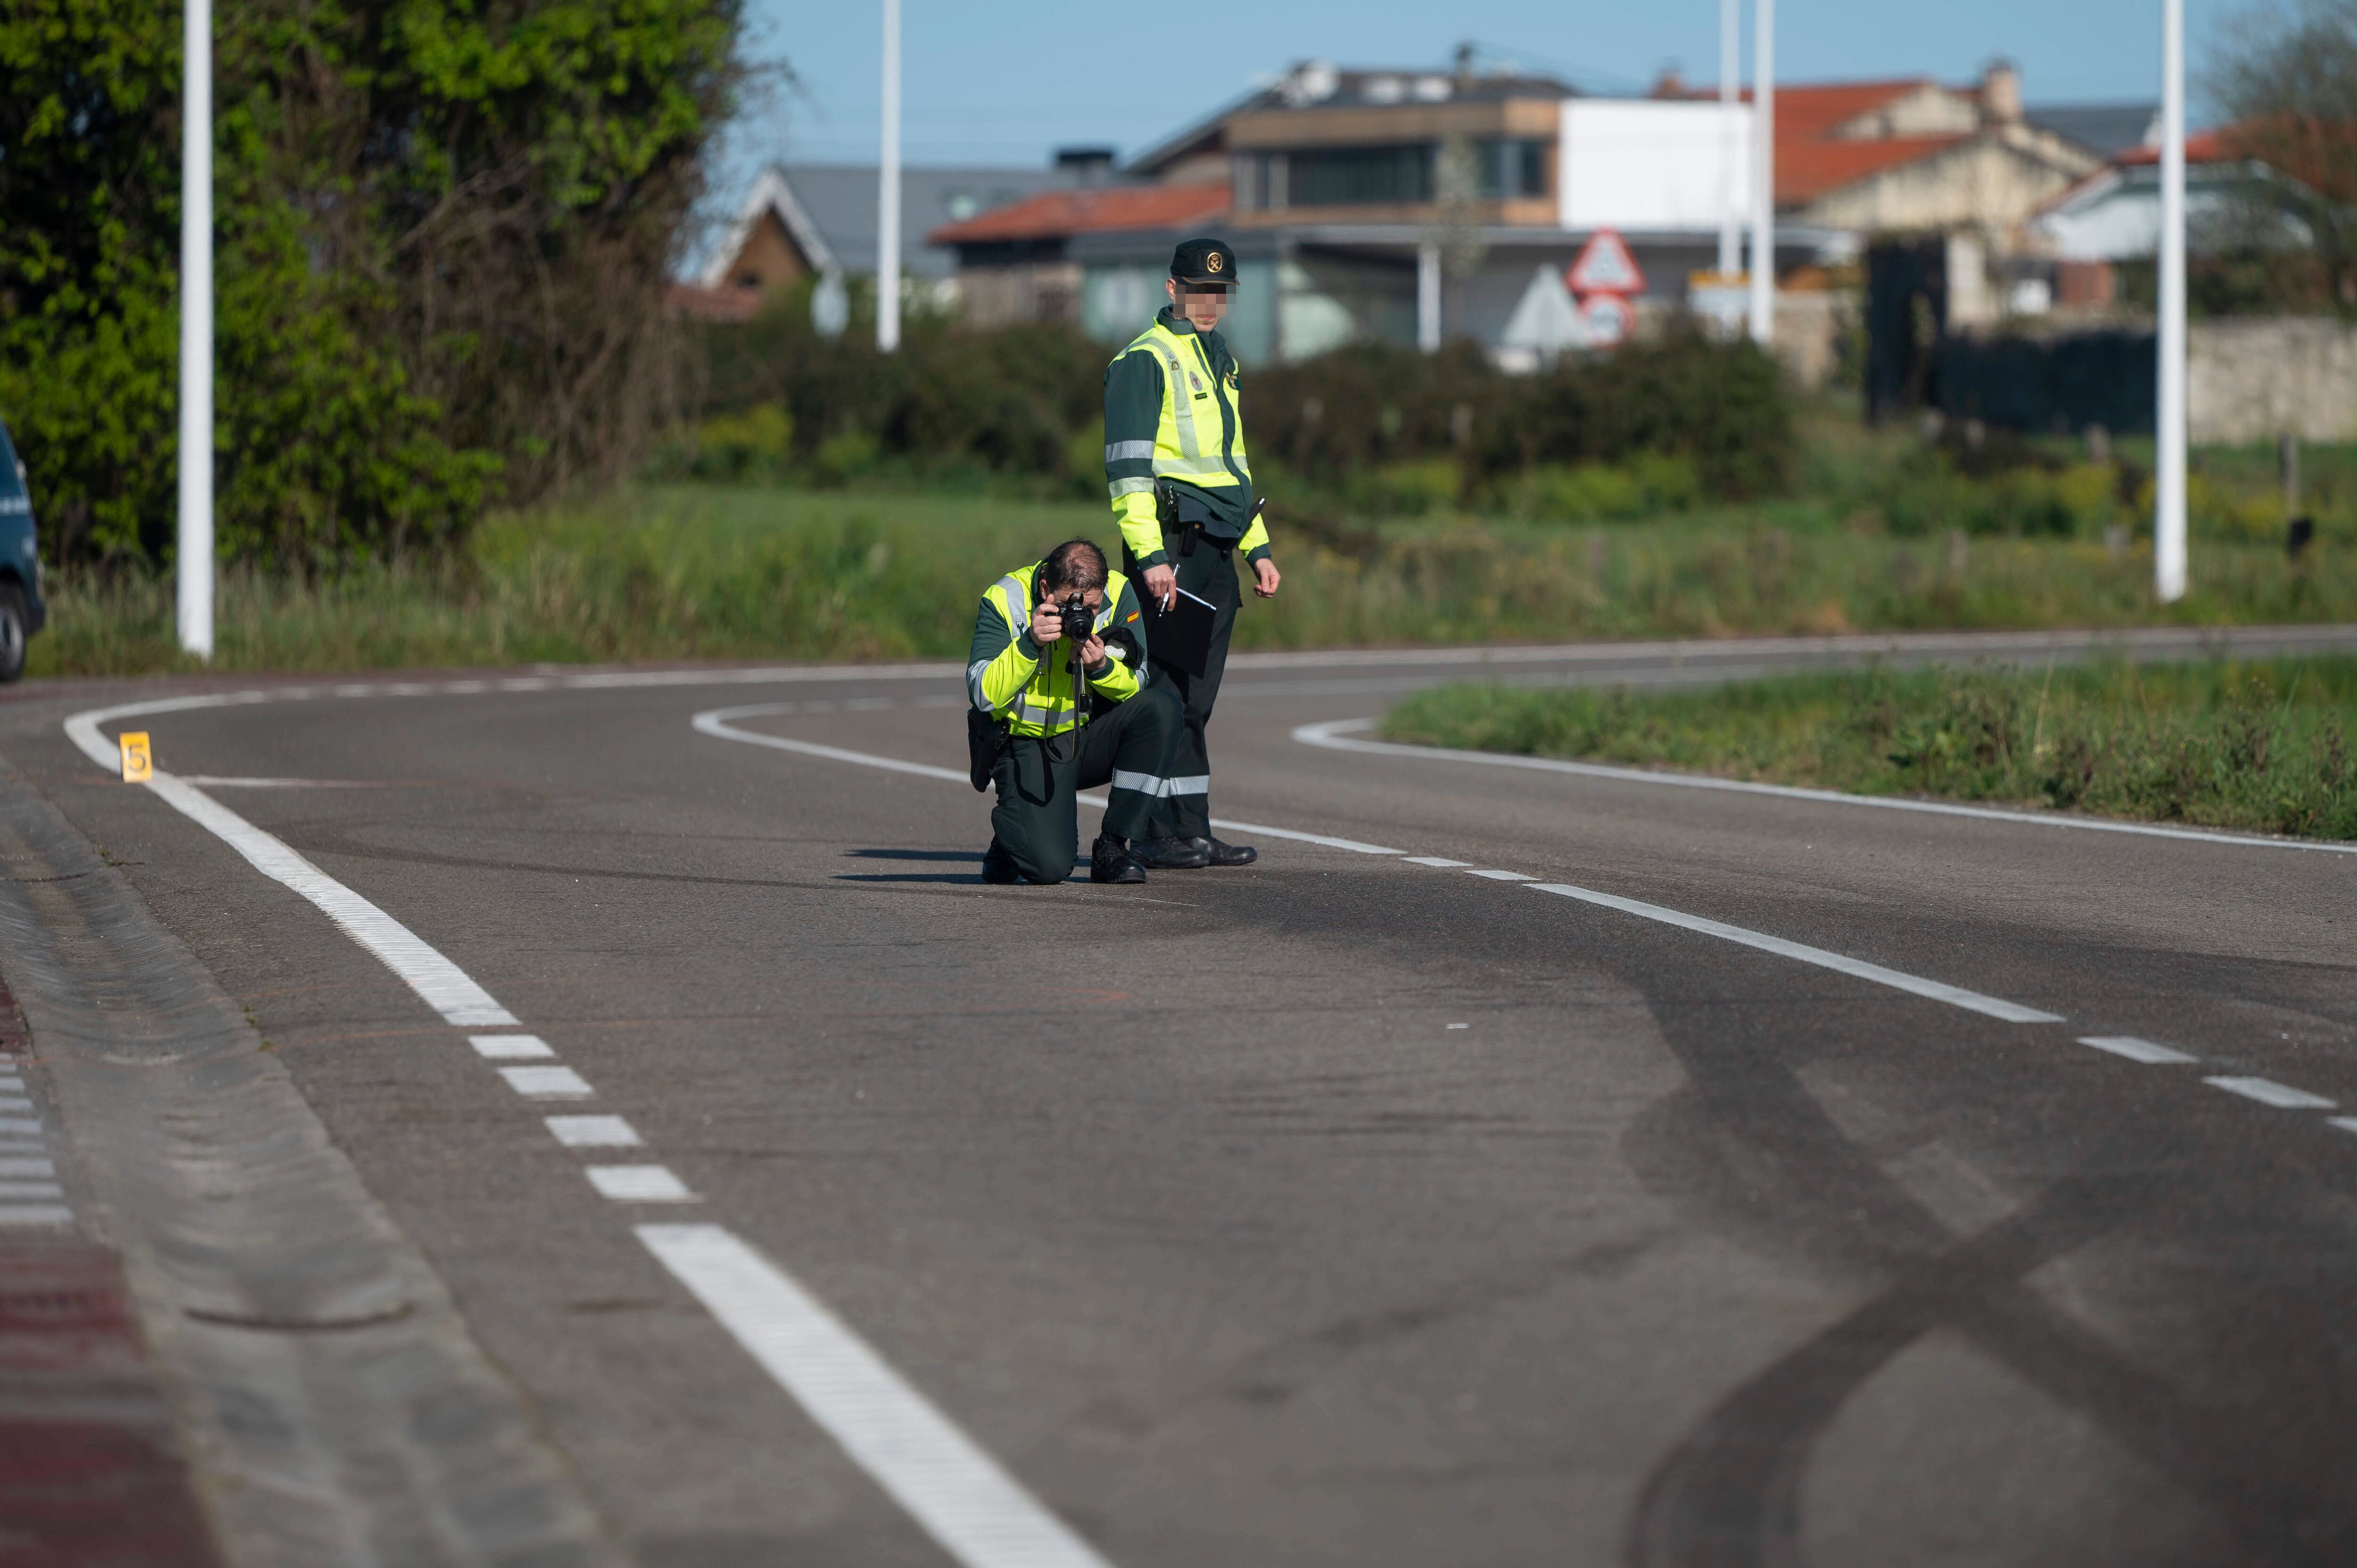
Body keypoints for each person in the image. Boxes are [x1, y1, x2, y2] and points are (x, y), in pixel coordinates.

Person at [1103, 235, 1282, 870]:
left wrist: (1257, 547)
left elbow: (1232, 466)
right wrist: (1149, 557)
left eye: (1220, 292)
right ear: (1172, 288)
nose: (1210, 303)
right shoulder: (1145, 360)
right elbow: (1128, 471)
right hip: (1173, 551)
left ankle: (1192, 829)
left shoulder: (1220, 359)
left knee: (1196, 700)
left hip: (1218, 551)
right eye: (1199, 290)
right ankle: (1150, 830)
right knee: (1166, 696)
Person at [968, 538, 1187, 885]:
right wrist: (1030, 645)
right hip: (1022, 744)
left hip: (1082, 735)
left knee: (1161, 709)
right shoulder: (1005, 598)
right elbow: (981, 693)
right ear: (1045, 589)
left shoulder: (1117, 592)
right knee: (1048, 868)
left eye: (1092, 607)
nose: (1082, 616)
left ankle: (1113, 845)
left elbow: (1139, 680)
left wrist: (1101, 667)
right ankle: (1014, 834)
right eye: (1072, 605)